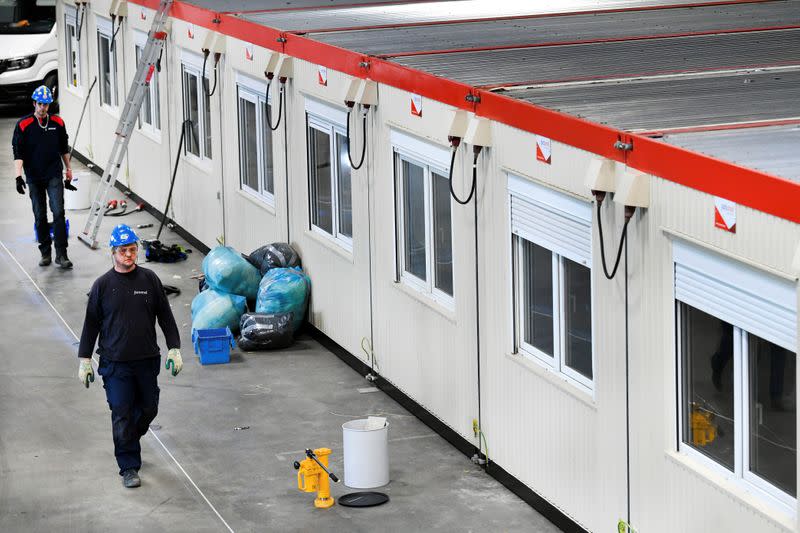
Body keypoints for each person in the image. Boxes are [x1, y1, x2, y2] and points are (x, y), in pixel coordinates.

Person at [78, 224, 183, 488]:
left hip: (147, 360)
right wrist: (85, 360)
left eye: (133, 249)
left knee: (149, 408)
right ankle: (128, 466)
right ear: (113, 252)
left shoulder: (149, 280)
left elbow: (166, 317)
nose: (129, 255)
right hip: (115, 365)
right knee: (122, 412)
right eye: (123, 250)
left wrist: (174, 347)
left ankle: (127, 438)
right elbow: (91, 325)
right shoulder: (102, 286)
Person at [12, 85, 75, 268]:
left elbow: (64, 148)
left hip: (53, 174)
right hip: (33, 177)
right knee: (40, 215)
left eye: (46, 105)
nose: (42, 108)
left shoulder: (58, 123)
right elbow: (18, 153)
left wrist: (68, 169)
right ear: (34, 103)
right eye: (40, 104)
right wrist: (18, 176)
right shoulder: (23, 125)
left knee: (58, 212)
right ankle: (45, 252)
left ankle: (61, 254)